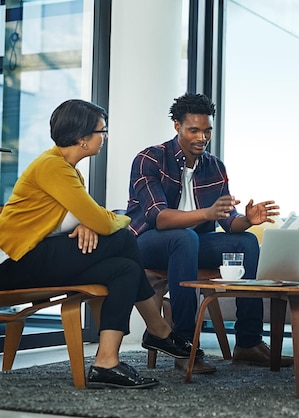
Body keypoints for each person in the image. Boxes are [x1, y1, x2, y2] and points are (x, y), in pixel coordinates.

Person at [0, 99, 189, 389]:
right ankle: (158, 329)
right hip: (18, 263)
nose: (106, 137)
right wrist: (120, 218)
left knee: (124, 269)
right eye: (102, 131)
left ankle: (106, 362)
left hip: (41, 256)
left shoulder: (69, 170)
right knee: (124, 236)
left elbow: (88, 217)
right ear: (81, 138)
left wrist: (92, 223)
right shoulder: (53, 166)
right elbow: (102, 220)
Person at [126, 92, 292, 373]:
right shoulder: (150, 159)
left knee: (247, 242)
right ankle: (184, 343)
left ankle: (248, 342)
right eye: (194, 130)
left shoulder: (214, 167)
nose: (201, 137)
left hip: (191, 244)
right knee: (184, 237)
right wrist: (206, 214)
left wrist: (248, 220)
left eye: (207, 131)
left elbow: (229, 222)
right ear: (177, 126)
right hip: (147, 242)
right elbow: (159, 218)